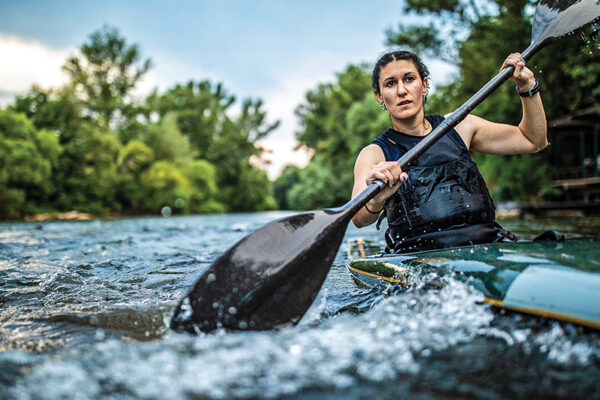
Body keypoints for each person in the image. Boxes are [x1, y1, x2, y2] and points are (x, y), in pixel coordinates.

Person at [351, 50, 547, 253]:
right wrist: (376, 199)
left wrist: (527, 86)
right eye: (390, 83)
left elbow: (533, 141)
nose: (402, 90)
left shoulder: (459, 126)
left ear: (424, 85)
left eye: (409, 79)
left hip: (487, 247)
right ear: (379, 96)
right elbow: (358, 218)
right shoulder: (375, 154)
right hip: (419, 259)